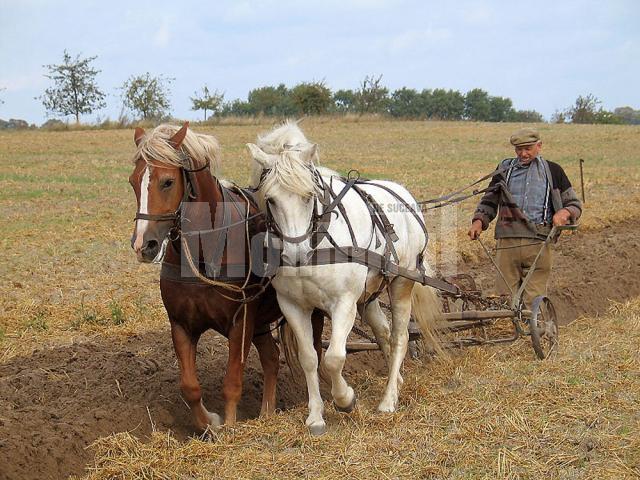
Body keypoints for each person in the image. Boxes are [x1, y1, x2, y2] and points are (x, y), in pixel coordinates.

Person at [468, 127, 582, 306]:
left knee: (534, 298)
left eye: (528, 149)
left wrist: (564, 212)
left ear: (539, 146)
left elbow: (574, 204)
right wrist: (478, 221)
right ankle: (509, 330)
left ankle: (531, 329)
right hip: (507, 242)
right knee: (503, 297)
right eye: (519, 149)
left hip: (539, 241)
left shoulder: (553, 171)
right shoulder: (504, 169)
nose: (523, 153)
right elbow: (490, 199)